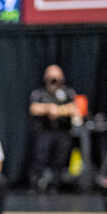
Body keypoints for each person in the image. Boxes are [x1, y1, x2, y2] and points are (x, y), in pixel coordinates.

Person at [28, 65, 79, 193]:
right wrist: (47, 108)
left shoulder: (68, 92)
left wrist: (59, 110)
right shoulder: (39, 93)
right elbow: (33, 108)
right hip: (44, 131)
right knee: (40, 159)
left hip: (63, 131)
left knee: (59, 160)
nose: (54, 79)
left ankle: (55, 187)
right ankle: (35, 186)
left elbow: (75, 108)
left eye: (57, 76)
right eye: (51, 75)